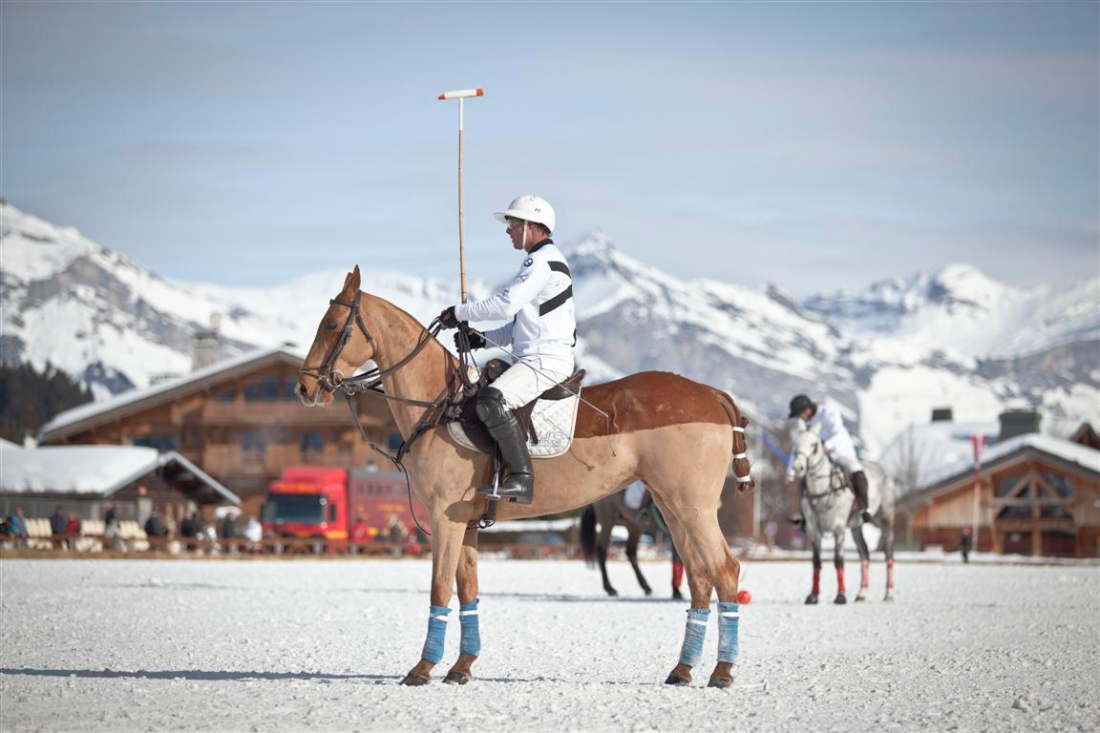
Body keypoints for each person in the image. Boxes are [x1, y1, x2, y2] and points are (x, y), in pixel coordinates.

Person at [437, 194, 576, 505]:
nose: (508, 229)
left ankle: (522, 477)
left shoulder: (540, 261)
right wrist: (481, 339)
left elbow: (505, 304)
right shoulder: (543, 260)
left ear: (531, 226)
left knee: (490, 401)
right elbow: (519, 327)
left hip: (545, 360)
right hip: (536, 355)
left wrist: (459, 313)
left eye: (513, 223)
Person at [785, 394, 873, 524]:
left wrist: (828, 445)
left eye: (800, 414)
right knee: (806, 479)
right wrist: (791, 471)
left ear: (807, 410)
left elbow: (839, 432)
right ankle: (804, 516)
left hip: (841, 451)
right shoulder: (806, 423)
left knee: (857, 472)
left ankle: (865, 508)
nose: (799, 418)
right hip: (821, 456)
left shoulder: (827, 413)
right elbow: (800, 446)